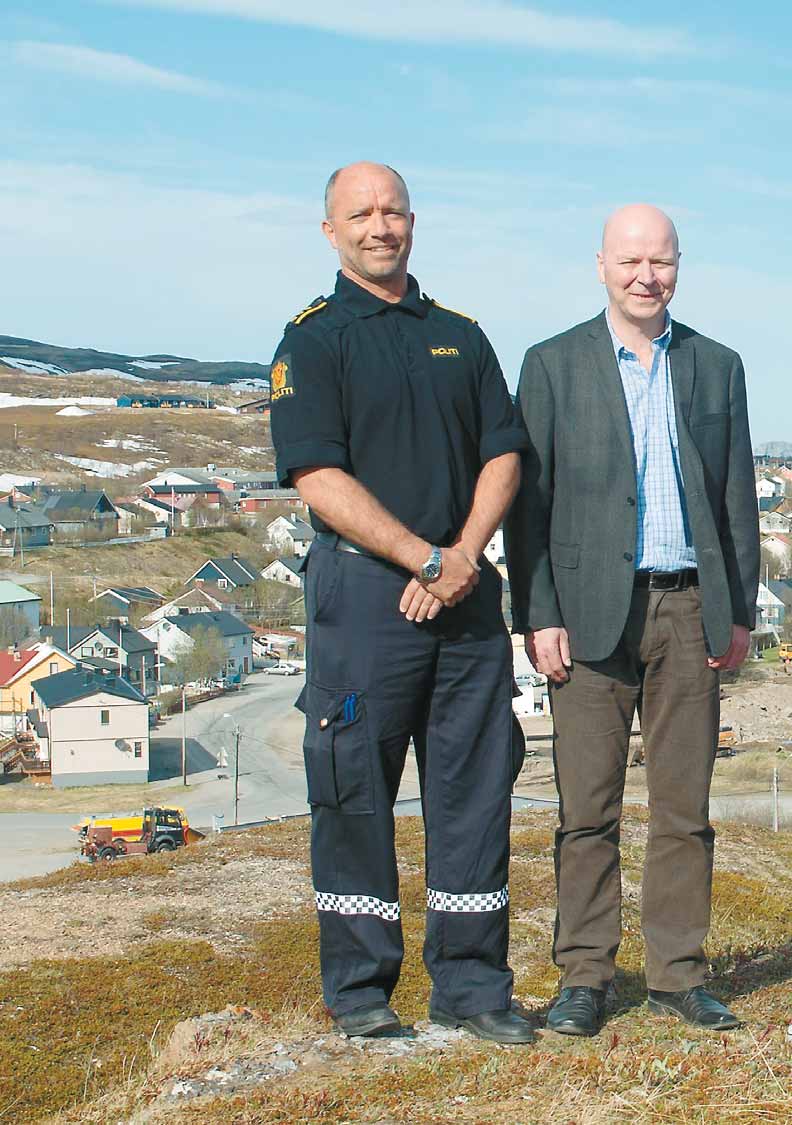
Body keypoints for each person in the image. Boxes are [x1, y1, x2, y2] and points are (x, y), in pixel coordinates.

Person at [270, 162, 533, 1043]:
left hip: (463, 600)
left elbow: (505, 453)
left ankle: (472, 986)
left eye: (392, 211)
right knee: (353, 793)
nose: (379, 226)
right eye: (360, 213)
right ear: (330, 230)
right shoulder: (311, 340)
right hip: (364, 599)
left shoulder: (462, 333)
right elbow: (315, 474)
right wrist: (420, 557)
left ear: (413, 221)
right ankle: (360, 991)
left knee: (474, 789)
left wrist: (458, 559)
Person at [505, 204, 759, 1037]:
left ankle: (679, 976)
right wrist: (537, 611)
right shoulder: (550, 364)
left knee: (684, 807)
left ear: (679, 265)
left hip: (690, 611)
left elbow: (733, 501)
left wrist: (740, 611)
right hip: (585, 617)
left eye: (662, 262)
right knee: (588, 809)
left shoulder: (718, 365)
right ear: (602, 265)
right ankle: (584, 975)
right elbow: (528, 505)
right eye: (631, 262)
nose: (646, 276)